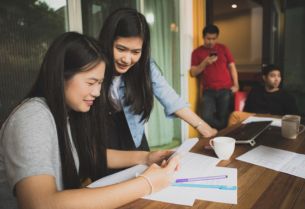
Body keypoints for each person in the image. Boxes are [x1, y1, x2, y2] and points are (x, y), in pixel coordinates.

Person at [0, 32, 179, 209]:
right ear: (61, 76)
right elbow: (40, 204)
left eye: (100, 83)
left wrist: (146, 157)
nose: (97, 92)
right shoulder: (32, 117)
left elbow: (91, 154)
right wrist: (147, 183)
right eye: (91, 82)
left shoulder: (67, 114)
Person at [99, 8, 217, 152]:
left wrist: (204, 128)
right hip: (104, 145)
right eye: (121, 49)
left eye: (136, 52)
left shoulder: (145, 66)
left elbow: (170, 98)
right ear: (108, 41)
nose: (127, 59)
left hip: (135, 141)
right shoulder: (92, 66)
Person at [190, 24, 239, 130]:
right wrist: (205, 63)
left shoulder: (223, 48)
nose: (211, 41)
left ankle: (219, 138)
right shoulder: (197, 52)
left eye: (214, 38)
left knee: (224, 118)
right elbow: (193, 73)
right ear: (203, 37)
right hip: (208, 91)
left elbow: (232, 66)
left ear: (217, 37)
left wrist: (236, 84)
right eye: (208, 38)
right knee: (206, 116)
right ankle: (218, 133)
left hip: (225, 89)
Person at [228, 64, 298, 126]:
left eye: (279, 76)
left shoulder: (286, 96)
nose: (277, 79)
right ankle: (228, 139)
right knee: (235, 115)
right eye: (273, 76)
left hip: (276, 120)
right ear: (264, 78)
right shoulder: (255, 91)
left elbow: (292, 117)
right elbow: (247, 110)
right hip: (256, 118)